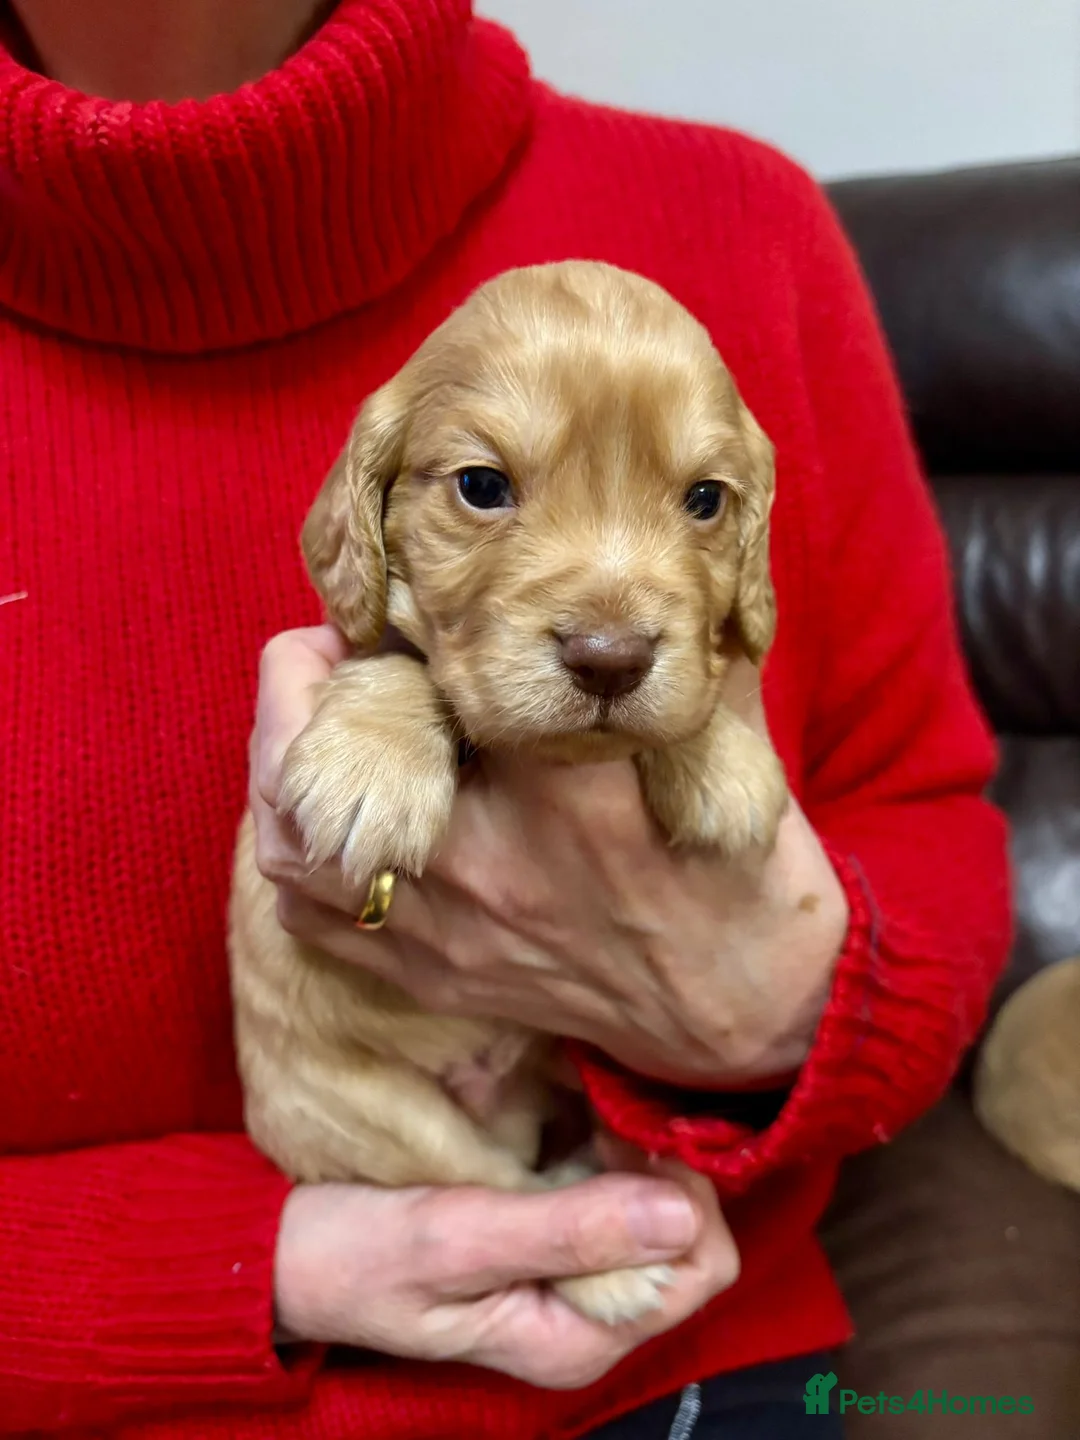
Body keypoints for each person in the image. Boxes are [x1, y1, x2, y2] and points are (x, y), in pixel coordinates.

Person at [0, 1, 1011, 1437]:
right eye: (484, 487)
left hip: (680, 1363)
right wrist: (247, 1268)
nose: (605, 620)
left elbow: (935, 828)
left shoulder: (746, 222)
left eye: (699, 502)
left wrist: (773, 1014)